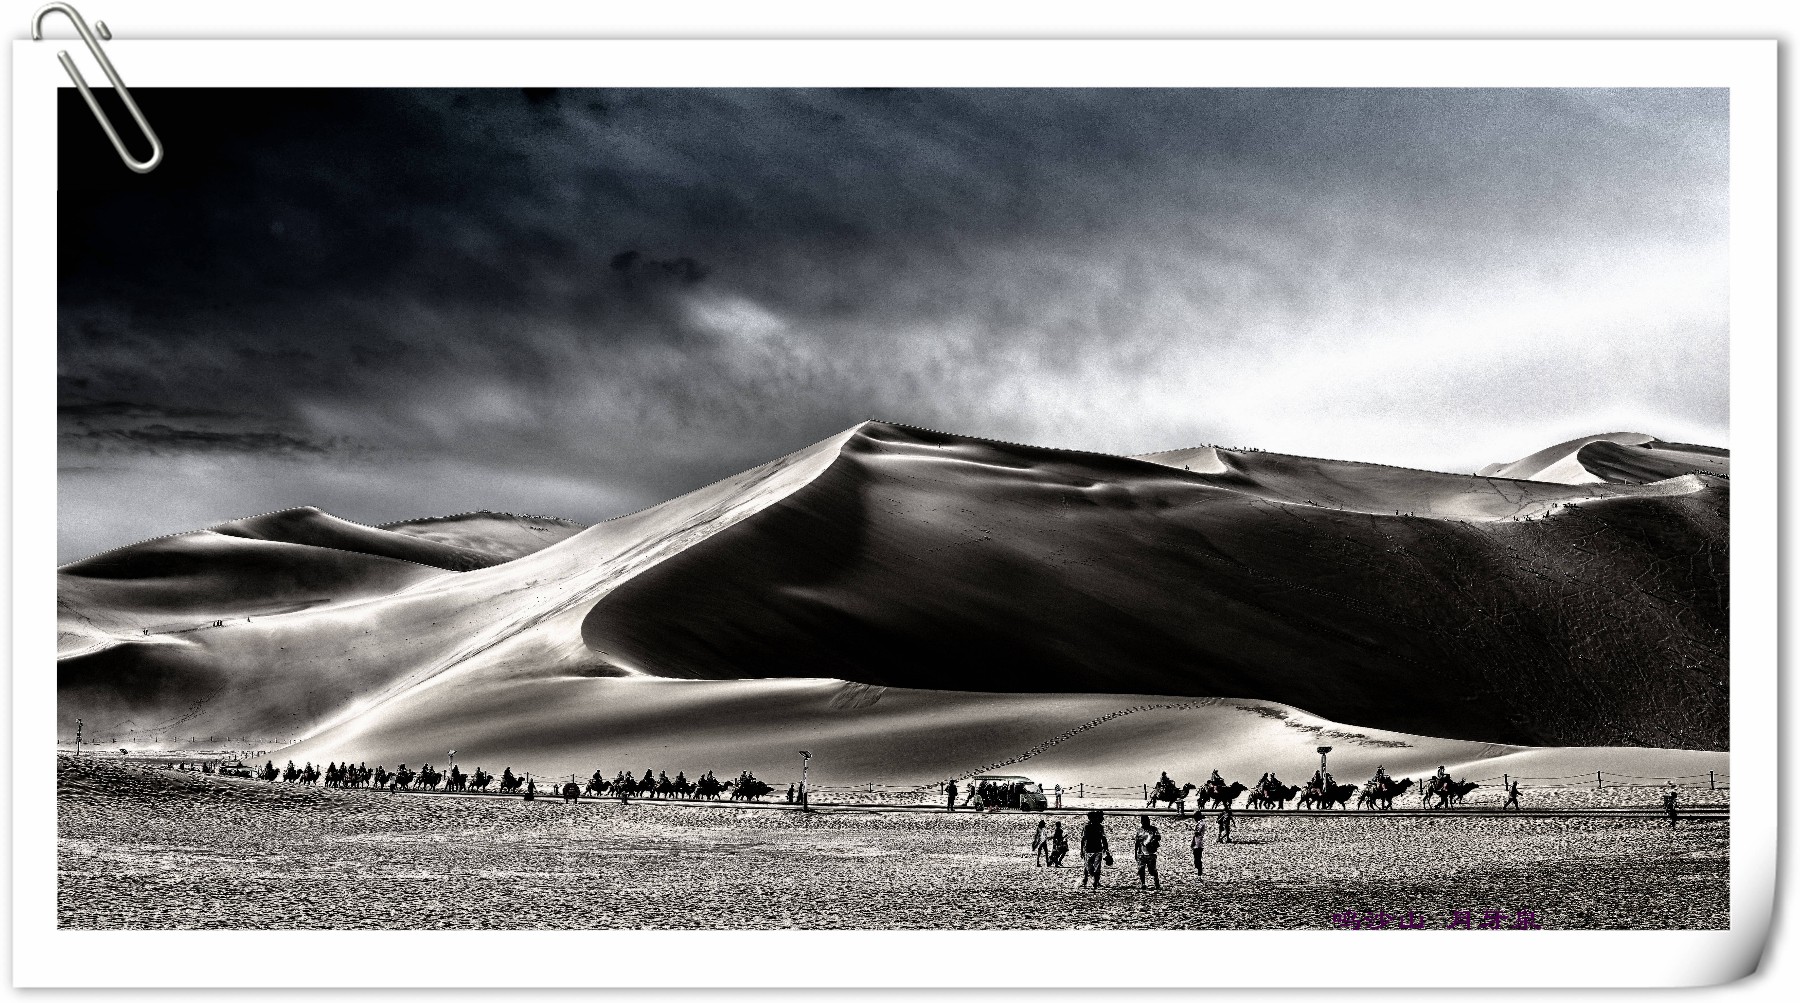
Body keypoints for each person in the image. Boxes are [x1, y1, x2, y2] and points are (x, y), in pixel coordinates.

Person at [1079, 811, 1111, 888]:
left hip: (1094, 850)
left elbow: (1084, 839)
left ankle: (1094, 881)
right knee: (1092, 868)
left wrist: (1082, 850)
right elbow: (1084, 839)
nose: (1102, 819)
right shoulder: (1091, 827)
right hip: (1092, 849)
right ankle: (1093, 881)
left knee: (1092, 867)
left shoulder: (1093, 827)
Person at [1134, 815, 1162, 890]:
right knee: (1141, 869)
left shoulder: (1153, 829)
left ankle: (1156, 880)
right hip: (1141, 853)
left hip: (1151, 853)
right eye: (1144, 821)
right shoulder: (1139, 830)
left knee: (1152, 870)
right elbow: (1137, 842)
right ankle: (1143, 883)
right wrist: (1135, 853)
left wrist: (1152, 841)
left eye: (1147, 821)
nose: (1146, 823)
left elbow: (1158, 837)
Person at [1190, 813, 1209, 877]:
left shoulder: (1201, 824)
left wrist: (1191, 828)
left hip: (1198, 844)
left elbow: (1197, 833)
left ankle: (1199, 873)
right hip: (1197, 843)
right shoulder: (1200, 823)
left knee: (1197, 859)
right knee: (1196, 858)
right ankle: (1199, 872)